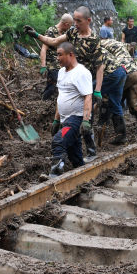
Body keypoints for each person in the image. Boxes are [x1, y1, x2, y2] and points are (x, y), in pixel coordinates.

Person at [27, 6, 105, 159]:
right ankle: (70, 150)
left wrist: (97, 89)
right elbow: (55, 41)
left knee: (86, 119)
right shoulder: (73, 32)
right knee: (68, 113)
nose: (75, 23)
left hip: (85, 81)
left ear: (88, 21)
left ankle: (91, 151)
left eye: (78, 21)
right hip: (70, 77)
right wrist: (37, 35)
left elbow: (100, 66)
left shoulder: (94, 40)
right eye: (74, 20)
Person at [49, 43, 93, 176]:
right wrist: (56, 120)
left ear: (71, 55)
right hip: (65, 119)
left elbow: (88, 97)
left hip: (76, 118)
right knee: (76, 158)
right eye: (57, 54)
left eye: (60, 54)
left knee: (58, 140)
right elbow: (60, 96)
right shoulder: (61, 72)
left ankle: (55, 174)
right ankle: (85, 178)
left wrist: (85, 120)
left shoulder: (82, 73)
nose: (57, 58)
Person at [103, 38, 137, 136]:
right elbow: (131, 47)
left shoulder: (98, 46)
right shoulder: (118, 43)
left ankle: (110, 129)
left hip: (123, 71)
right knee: (135, 104)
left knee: (110, 100)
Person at [96, 38, 132, 144]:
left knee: (91, 96)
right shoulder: (116, 44)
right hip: (123, 70)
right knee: (115, 103)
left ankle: (97, 126)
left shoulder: (95, 48)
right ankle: (121, 136)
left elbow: (100, 69)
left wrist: (97, 90)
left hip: (113, 73)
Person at [39, 14, 74, 100]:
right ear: (66, 24)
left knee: (57, 85)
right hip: (52, 64)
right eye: (69, 25)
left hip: (62, 64)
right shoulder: (51, 31)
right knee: (54, 83)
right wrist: (43, 65)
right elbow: (44, 49)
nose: (70, 28)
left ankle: (50, 100)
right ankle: (44, 101)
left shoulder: (65, 34)